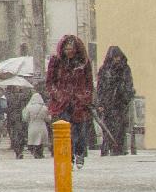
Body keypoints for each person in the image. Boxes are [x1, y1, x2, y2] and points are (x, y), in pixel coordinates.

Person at [46, 35, 95, 167]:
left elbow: (89, 83)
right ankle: (68, 157)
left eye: (71, 49)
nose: (69, 51)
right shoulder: (56, 62)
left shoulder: (84, 63)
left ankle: (79, 154)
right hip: (62, 104)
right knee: (66, 132)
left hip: (80, 103)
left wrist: (85, 97)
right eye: (67, 49)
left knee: (81, 131)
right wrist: (59, 96)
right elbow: (50, 83)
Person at [97, 47, 135, 157]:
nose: (116, 59)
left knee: (120, 127)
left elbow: (129, 84)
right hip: (108, 103)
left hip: (120, 103)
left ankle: (118, 149)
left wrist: (126, 96)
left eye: (118, 57)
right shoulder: (104, 70)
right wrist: (100, 103)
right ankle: (108, 148)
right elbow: (100, 88)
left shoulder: (125, 69)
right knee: (107, 127)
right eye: (114, 57)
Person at [22, 88, 51, 159]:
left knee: (34, 140)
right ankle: (40, 153)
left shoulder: (28, 107)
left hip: (32, 126)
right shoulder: (44, 108)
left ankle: (35, 152)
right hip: (42, 126)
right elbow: (48, 119)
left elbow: (25, 118)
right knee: (40, 141)